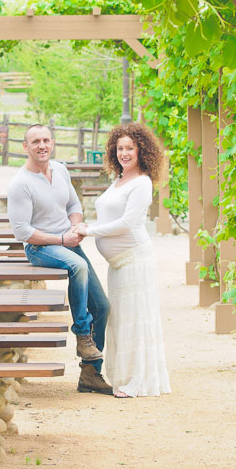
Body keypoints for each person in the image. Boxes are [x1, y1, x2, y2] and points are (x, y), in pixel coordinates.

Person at [7, 124, 113, 395]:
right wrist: (61, 240)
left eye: (45, 140)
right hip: (39, 247)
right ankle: (81, 333)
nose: (41, 146)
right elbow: (22, 231)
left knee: (102, 307)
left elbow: (74, 206)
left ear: (52, 143)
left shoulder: (61, 170)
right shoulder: (21, 183)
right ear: (25, 147)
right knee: (77, 265)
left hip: (67, 243)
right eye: (35, 142)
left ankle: (91, 374)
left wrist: (74, 228)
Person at [73, 123, 171, 398]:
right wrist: (83, 227)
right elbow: (107, 218)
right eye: (120, 148)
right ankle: (124, 376)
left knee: (135, 320)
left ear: (142, 150)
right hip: (118, 264)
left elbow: (126, 223)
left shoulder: (141, 183)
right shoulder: (118, 180)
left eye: (130, 148)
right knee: (120, 320)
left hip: (134, 260)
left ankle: (137, 381)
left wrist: (89, 232)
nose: (124, 153)